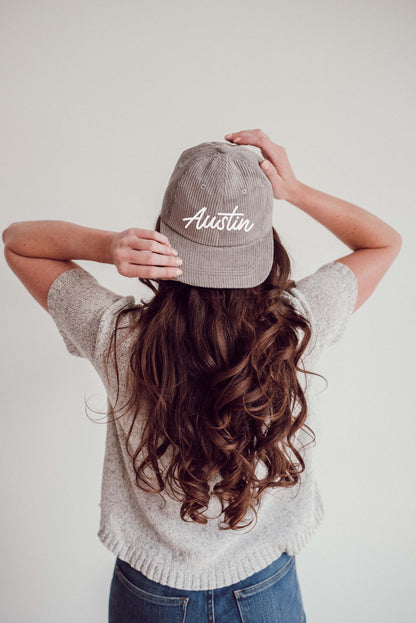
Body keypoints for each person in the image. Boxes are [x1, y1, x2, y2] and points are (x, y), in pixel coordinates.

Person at [2, 128, 402, 623]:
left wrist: (109, 246)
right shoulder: (295, 327)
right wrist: (293, 189)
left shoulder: (118, 336)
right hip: (265, 586)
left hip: (149, 592)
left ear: (163, 236)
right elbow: (383, 242)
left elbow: (18, 242)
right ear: (263, 245)